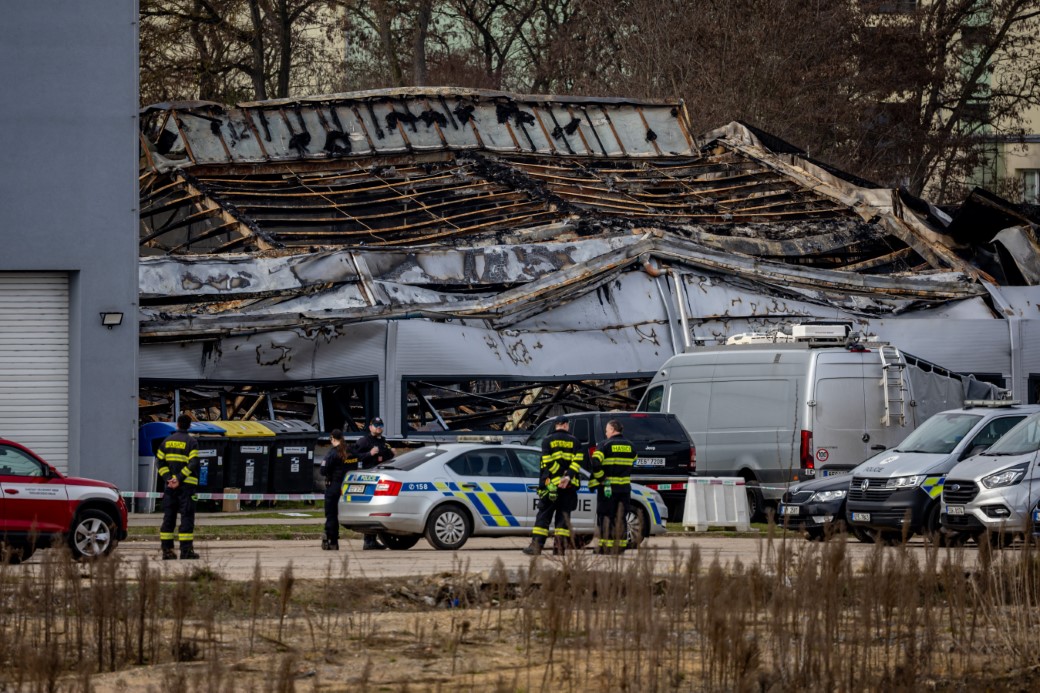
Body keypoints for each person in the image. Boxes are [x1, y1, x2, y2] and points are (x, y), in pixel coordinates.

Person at [523, 417, 583, 556]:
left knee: (543, 517)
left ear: (556, 425)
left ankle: (536, 547)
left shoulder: (547, 440)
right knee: (563, 518)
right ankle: (560, 549)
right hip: (568, 486)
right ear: (566, 425)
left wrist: (558, 476)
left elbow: (547, 461)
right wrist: (567, 477)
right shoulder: (575, 441)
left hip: (550, 485)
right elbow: (577, 463)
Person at [156, 414, 200, 560]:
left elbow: (160, 463)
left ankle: (167, 551)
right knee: (187, 518)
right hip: (187, 488)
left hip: (170, 488)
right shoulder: (192, 442)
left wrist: (169, 479)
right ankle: (186, 551)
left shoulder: (166, 442)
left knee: (168, 518)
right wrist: (179, 478)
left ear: (177, 425)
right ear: (189, 426)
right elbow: (193, 463)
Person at [590, 419, 636, 555]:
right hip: (624, 489)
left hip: (608, 489)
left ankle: (605, 547)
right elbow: (633, 462)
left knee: (605, 517)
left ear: (612, 430)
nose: (606, 432)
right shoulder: (631, 446)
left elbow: (595, 462)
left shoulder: (604, 445)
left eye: (606, 430)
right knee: (621, 517)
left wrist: (602, 479)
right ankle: (620, 546)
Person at [353, 417, 395, 550]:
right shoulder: (364, 441)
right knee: (370, 509)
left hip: (380, 479)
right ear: (370, 427)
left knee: (378, 510)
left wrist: (391, 453)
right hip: (368, 479)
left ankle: (373, 540)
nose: (379, 427)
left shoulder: (383, 441)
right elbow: (353, 456)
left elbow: (384, 456)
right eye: (376, 425)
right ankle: (368, 540)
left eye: (380, 425)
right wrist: (369, 454)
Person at [320, 429, 358, 551]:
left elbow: (323, 470)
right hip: (349, 487)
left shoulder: (332, 453)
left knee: (331, 514)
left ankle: (333, 541)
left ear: (332, 438)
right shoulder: (352, 451)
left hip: (335, 487)